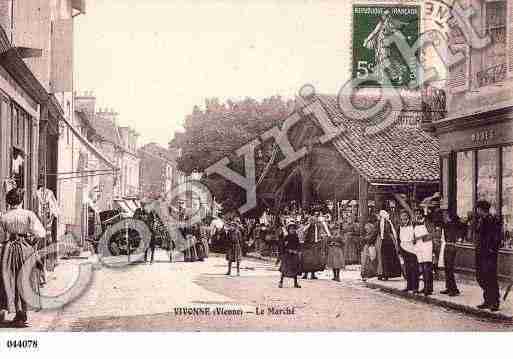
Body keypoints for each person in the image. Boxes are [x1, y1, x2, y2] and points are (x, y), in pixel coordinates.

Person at [0, 188, 46, 327]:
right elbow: (41, 233)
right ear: (21, 201)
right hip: (26, 249)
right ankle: (22, 314)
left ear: (9, 201)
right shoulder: (28, 215)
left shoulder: (4, 217)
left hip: (8, 251)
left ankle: (9, 310)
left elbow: (1, 236)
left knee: (9, 279)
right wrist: (31, 242)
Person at [474, 200, 501, 311]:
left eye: (478, 208)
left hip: (489, 253)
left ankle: (494, 301)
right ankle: (487, 299)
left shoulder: (492, 220)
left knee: (490, 277)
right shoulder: (481, 220)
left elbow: (496, 237)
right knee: (481, 277)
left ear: (481, 209)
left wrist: (491, 249)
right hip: (480, 252)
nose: (476, 210)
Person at [440, 211, 461, 297]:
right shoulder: (446, 225)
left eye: (445, 216)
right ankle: (449, 287)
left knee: (449, 268)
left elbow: (452, 238)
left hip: (450, 247)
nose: (443, 217)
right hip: (447, 246)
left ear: (448, 216)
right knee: (447, 268)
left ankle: (453, 289)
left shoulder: (451, 225)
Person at [377, 210, 402, 280]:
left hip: (384, 241)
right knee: (391, 258)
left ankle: (385, 274)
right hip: (391, 241)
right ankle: (390, 273)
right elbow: (393, 231)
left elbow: (378, 232)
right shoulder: (389, 222)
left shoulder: (381, 222)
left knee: (384, 258)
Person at [413, 209, 434, 296]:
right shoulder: (414, 223)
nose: (418, 215)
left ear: (422, 214)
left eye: (419, 214)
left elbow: (432, 233)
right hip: (419, 246)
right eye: (416, 214)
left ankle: (428, 288)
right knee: (421, 267)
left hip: (427, 245)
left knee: (427, 266)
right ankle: (425, 287)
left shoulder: (427, 221)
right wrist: (414, 239)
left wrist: (420, 237)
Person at [398, 210, 419, 293]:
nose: (403, 217)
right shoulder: (400, 226)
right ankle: (409, 286)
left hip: (412, 249)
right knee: (407, 268)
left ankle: (415, 287)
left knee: (414, 268)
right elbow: (399, 238)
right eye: (402, 216)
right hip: (404, 248)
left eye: (405, 215)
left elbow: (416, 236)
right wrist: (400, 249)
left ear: (408, 216)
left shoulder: (413, 225)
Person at [278, 223, 302, 288]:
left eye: (293, 229)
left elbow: (298, 245)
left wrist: (298, 251)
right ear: (288, 230)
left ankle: (295, 283)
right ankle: (281, 282)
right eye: (291, 229)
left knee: (294, 269)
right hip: (287, 255)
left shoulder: (296, 237)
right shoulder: (286, 237)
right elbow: (282, 245)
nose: (292, 230)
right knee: (284, 269)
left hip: (294, 255)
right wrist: (287, 250)